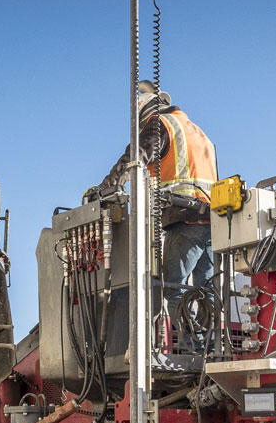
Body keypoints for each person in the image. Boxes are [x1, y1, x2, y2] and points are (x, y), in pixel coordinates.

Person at [94, 81, 219, 347]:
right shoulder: (198, 132)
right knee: (207, 290)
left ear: (144, 112)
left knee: (172, 288)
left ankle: (194, 347)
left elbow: (135, 157)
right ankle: (210, 348)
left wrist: (106, 187)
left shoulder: (160, 124)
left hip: (184, 220)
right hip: (213, 222)